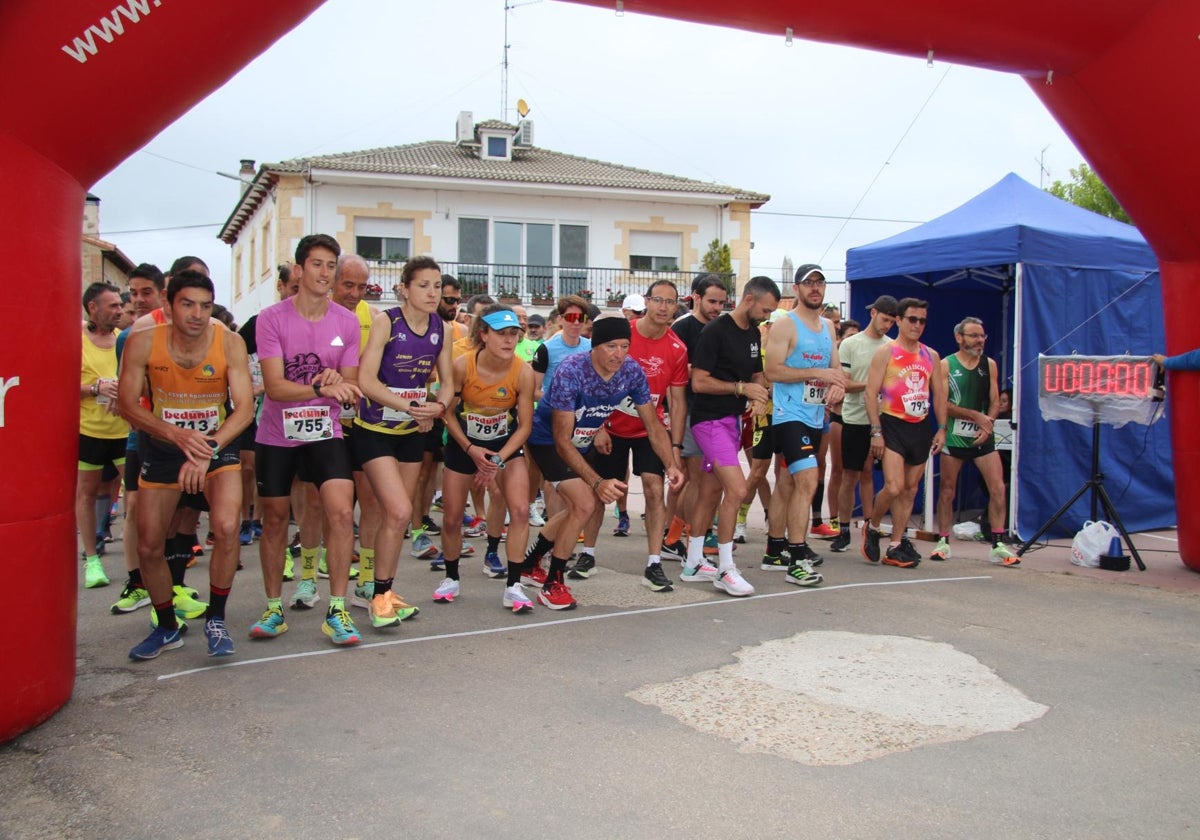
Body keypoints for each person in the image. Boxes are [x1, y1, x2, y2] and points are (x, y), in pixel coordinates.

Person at [117, 270, 254, 659]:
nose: (197, 314)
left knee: (227, 527)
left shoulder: (230, 343)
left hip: (217, 442)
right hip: (163, 445)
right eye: (188, 304)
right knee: (148, 546)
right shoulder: (142, 342)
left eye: (206, 306)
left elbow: (243, 409)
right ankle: (165, 626)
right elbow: (128, 405)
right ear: (168, 304)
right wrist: (178, 437)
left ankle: (216, 618)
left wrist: (205, 448)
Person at [249, 234, 365, 645]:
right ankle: (273, 608)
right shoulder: (271, 318)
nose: (324, 273)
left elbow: (350, 386)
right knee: (276, 519)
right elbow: (276, 388)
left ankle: (337, 609)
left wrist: (338, 384)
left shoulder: (347, 322)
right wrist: (322, 385)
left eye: (331, 266)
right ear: (299, 270)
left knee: (338, 512)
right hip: (277, 435)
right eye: (316, 264)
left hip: (324, 431)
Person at [524, 316, 684, 609]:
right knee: (585, 504)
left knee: (578, 506)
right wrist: (596, 481)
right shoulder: (571, 371)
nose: (619, 354)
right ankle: (552, 583)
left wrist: (671, 464)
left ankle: (531, 561)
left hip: (582, 440)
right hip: (547, 440)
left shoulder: (632, 372)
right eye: (611, 346)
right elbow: (561, 439)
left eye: (625, 346)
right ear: (595, 346)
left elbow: (653, 424)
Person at [355, 256, 455, 627]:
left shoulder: (442, 328)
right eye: (424, 285)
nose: (432, 292)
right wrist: (411, 406)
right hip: (375, 431)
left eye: (436, 285)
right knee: (396, 511)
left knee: (397, 519)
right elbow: (366, 380)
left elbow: (448, 382)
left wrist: (438, 406)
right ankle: (378, 597)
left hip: (412, 434)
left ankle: (383, 591)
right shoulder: (387, 322)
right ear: (405, 288)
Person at [587, 281, 689, 591]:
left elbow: (678, 400)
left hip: (650, 429)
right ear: (646, 301)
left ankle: (654, 562)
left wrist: (675, 447)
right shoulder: (623, 334)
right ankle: (587, 554)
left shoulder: (677, 348)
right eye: (658, 300)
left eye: (670, 302)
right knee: (600, 493)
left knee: (654, 488)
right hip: (611, 427)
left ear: (676, 307)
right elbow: (594, 377)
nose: (663, 307)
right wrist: (598, 427)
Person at [683, 276, 781, 596]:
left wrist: (756, 392)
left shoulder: (752, 332)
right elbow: (698, 382)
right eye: (766, 309)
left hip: (731, 421)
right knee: (737, 490)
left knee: (712, 490)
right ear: (749, 299)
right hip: (709, 421)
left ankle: (693, 562)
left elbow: (755, 372)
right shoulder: (714, 331)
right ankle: (725, 569)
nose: (767, 316)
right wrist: (741, 388)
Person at [435, 305, 536, 610]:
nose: (509, 340)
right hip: (465, 442)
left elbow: (525, 426)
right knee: (452, 518)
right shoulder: (462, 366)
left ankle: (514, 585)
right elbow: (447, 414)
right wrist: (470, 450)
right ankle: (451, 578)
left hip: (505, 445)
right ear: (483, 335)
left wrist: (497, 461)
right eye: (502, 334)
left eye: (514, 335)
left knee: (519, 511)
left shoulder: (524, 371)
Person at [760, 265, 845, 585]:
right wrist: (820, 375)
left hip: (814, 416)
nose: (815, 288)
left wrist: (836, 385)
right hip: (787, 416)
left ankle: (773, 550)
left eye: (820, 283)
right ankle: (797, 559)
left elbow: (835, 369)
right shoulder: (786, 325)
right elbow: (773, 372)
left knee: (786, 484)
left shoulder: (827, 327)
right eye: (808, 283)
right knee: (808, 480)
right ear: (796, 288)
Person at [862, 298, 947, 568]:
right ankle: (873, 526)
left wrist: (942, 428)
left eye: (922, 320)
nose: (917, 325)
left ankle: (896, 544)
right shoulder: (887, 352)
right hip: (892, 423)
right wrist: (876, 431)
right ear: (899, 320)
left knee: (910, 490)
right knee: (894, 486)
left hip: (919, 426)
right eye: (912, 319)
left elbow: (940, 396)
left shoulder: (930, 355)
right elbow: (870, 392)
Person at [932, 317, 1020, 566]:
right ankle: (943, 540)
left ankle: (998, 543)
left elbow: (994, 399)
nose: (979, 341)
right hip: (955, 436)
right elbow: (942, 404)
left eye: (982, 336)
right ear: (959, 338)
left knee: (998, 488)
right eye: (974, 336)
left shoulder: (989, 364)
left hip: (982, 436)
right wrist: (976, 417)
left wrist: (988, 421)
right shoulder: (945, 365)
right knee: (947, 490)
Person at [663, 274, 729, 560]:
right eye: (712, 301)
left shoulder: (723, 327)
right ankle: (677, 535)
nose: (717, 308)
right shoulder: (682, 326)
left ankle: (685, 533)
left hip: (715, 413)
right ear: (696, 297)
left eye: (722, 303)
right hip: (687, 410)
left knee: (706, 479)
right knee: (691, 479)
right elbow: (674, 371)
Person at [831, 297, 896, 553]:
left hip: (883, 419)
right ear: (873, 313)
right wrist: (872, 384)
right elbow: (844, 384)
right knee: (850, 475)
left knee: (870, 474)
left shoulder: (893, 346)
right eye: (885, 319)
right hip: (855, 418)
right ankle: (844, 529)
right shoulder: (850, 344)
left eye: (892, 321)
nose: (888, 325)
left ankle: (870, 527)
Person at [78, 281, 130, 589]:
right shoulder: (76, 341)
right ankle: (92, 560)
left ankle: (135, 565)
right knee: (85, 495)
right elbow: (57, 385)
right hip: (89, 431)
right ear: (92, 308)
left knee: (134, 495)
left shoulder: (125, 339)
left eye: (119, 306)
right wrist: (95, 388)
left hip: (124, 430)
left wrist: (123, 392)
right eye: (112, 306)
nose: (119, 310)